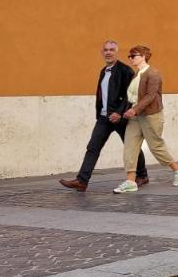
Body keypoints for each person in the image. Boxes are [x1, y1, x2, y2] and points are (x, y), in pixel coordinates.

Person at [59, 39, 148, 192]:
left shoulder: (125, 71)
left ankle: (142, 175)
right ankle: (82, 181)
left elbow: (130, 95)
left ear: (116, 52)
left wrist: (119, 113)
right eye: (105, 50)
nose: (108, 52)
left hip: (121, 118)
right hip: (104, 118)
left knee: (131, 147)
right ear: (102, 52)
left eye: (111, 50)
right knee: (93, 147)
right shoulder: (103, 71)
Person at [113, 45, 178, 193]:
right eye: (130, 56)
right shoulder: (137, 74)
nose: (130, 58)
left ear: (143, 56)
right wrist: (127, 110)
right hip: (136, 117)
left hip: (151, 116)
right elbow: (133, 96)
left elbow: (150, 95)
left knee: (156, 146)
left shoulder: (153, 73)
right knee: (130, 146)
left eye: (133, 55)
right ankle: (130, 181)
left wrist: (134, 109)